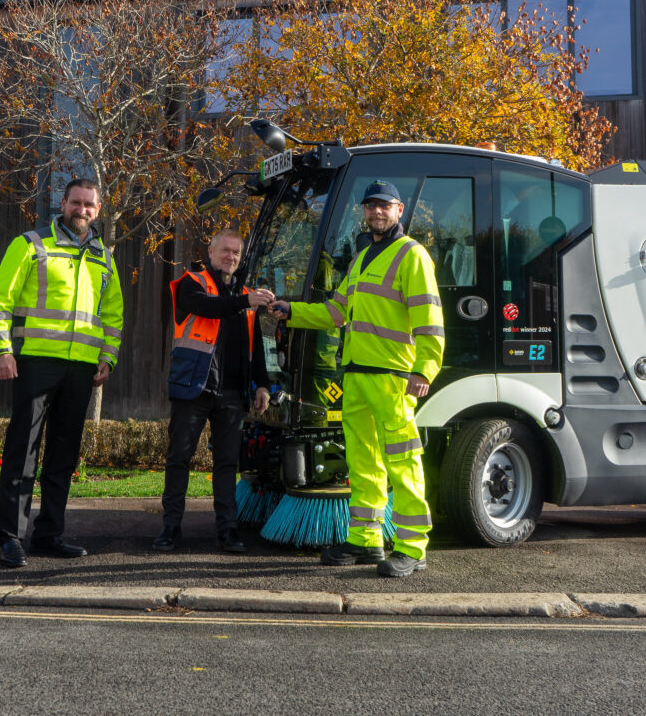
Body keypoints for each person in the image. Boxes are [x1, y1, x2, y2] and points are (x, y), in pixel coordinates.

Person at [269, 180, 444, 578]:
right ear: (363, 212)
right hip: (358, 376)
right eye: (370, 206)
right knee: (363, 463)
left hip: (393, 378)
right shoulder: (363, 257)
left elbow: (430, 320)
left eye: (384, 205)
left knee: (403, 463)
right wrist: (291, 312)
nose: (376, 212)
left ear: (399, 210)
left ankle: (412, 547)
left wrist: (425, 370)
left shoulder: (412, 255)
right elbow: (335, 313)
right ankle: (366, 541)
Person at [0, 178, 124, 568]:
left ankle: (49, 533)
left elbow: (113, 315)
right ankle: (10, 537)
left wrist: (108, 358)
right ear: (62, 203)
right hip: (35, 363)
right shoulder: (31, 244)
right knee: (23, 451)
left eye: (89, 205)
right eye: (76, 203)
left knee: (63, 455)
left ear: (98, 210)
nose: (82, 210)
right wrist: (2, 350)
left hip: (81, 369)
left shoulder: (104, 257)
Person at [154, 230, 274, 553]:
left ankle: (227, 530)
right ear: (211, 251)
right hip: (194, 386)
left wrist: (262, 384)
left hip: (232, 392)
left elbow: (256, 348)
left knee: (226, 464)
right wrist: (246, 301)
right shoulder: (192, 283)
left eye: (236, 253)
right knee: (179, 457)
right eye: (225, 251)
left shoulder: (247, 296)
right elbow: (209, 308)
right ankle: (170, 527)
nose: (230, 257)